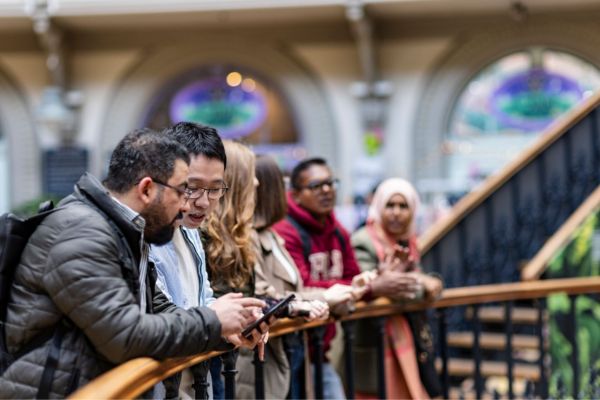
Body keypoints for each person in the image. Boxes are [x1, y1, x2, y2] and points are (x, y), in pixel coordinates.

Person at [0, 129, 265, 398]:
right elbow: (124, 336)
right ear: (147, 189)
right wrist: (213, 320)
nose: (186, 206)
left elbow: (158, 309)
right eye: (183, 190)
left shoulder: (121, 228)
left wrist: (227, 327)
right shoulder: (82, 231)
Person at [150, 122, 264, 399]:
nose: (204, 202)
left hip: (196, 384)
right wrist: (215, 320)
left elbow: (201, 300)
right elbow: (157, 319)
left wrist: (238, 320)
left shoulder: (191, 234)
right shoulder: (146, 237)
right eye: (192, 188)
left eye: (215, 189)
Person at [236, 155, 332, 399]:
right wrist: (323, 297)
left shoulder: (270, 235)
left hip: (289, 351)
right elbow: (262, 295)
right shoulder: (247, 238)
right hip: (263, 359)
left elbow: (290, 290)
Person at [273, 157, 361, 400]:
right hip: (290, 351)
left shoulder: (338, 230)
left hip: (321, 350)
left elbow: (356, 277)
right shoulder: (285, 230)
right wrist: (351, 287)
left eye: (331, 183)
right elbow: (299, 286)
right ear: (297, 194)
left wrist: (355, 286)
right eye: (316, 185)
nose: (326, 190)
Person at [351, 178, 443, 399]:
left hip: (402, 335)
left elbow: (411, 279)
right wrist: (423, 283)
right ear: (379, 206)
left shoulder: (407, 241)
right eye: (390, 205)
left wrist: (423, 280)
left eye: (403, 206)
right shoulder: (364, 240)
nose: (396, 212)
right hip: (373, 337)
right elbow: (385, 288)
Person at [203, 140, 264, 399]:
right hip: (206, 364)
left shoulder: (241, 236)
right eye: (252, 175)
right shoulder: (201, 235)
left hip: (229, 357)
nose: (258, 183)